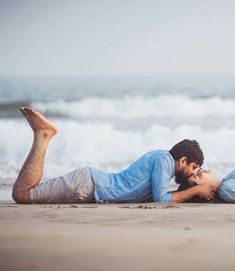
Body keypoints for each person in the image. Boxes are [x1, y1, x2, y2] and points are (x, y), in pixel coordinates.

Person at [12, 107, 218, 204]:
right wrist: (196, 189)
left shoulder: (163, 166)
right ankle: (43, 136)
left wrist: (193, 187)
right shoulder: (164, 160)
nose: (194, 171)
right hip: (89, 183)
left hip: (90, 188)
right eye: (193, 167)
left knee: (27, 194)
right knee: (22, 195)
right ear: (183, 161)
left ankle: (42, 136)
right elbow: (162, 199)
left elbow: (165, 194)